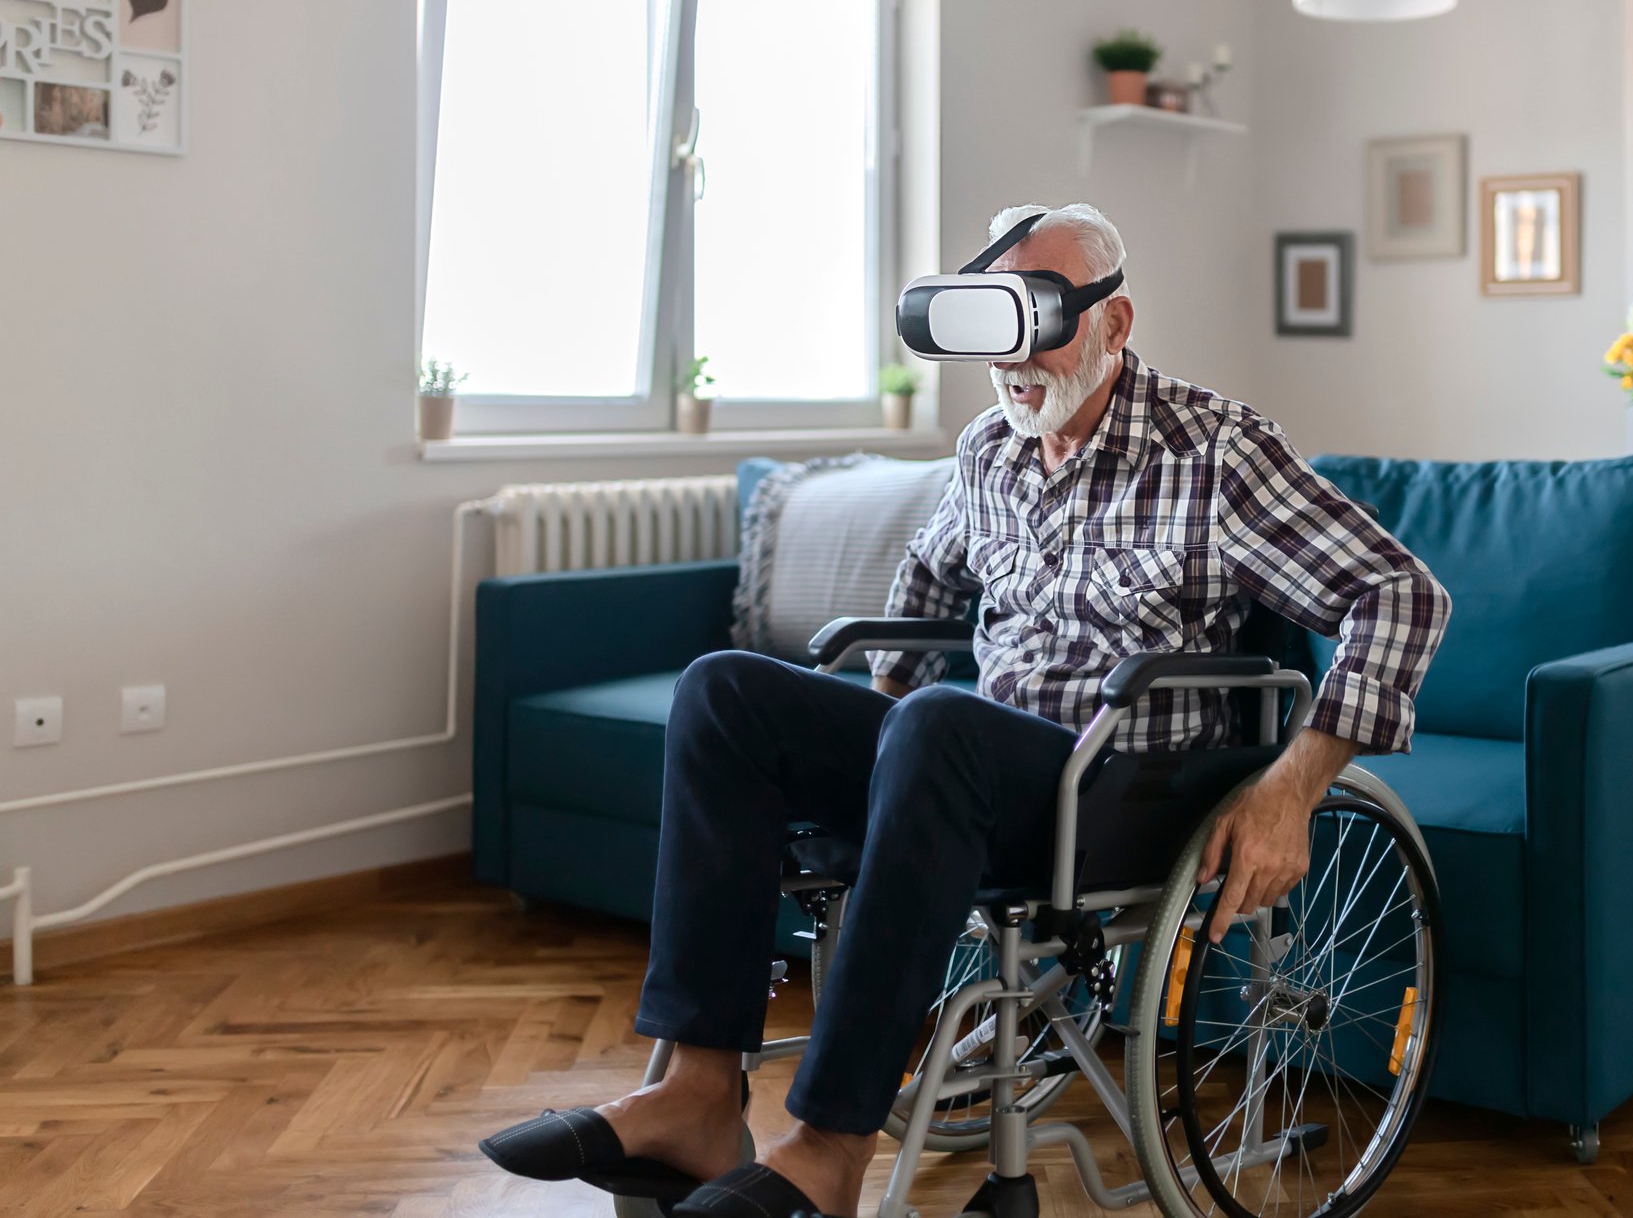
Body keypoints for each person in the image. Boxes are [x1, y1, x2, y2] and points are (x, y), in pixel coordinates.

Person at [480, 203, 1449, 1218]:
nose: (1016, 363)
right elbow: (925, 592)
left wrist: (1294, 787)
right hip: (967, 771)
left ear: (1115, 325)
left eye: (1045, 322)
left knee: (939, 726)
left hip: (1125, 789)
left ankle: (828, 1146)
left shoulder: (1214, 450)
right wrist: (871, 741)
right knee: (724, 692)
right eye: (997, 330)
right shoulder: (989, 450)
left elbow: (1400, 595)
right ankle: (694, 1092)